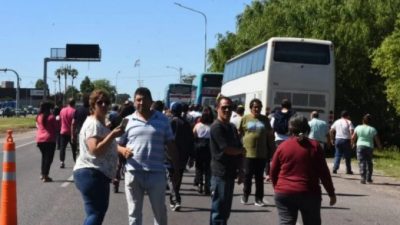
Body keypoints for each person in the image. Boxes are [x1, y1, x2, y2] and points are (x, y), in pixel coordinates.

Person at [118, 87, 180, 225]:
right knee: (134, 214)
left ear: (151, 101)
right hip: (133, 173)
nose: (141, 103)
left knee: (160, 213)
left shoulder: (163, 119)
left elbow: (171, 145)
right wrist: (123, 151)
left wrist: (176, 168)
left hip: (156, 173)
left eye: (144, 100)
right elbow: (117, 144)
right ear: (134, 102)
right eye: (138, 100)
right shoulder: (127, 121)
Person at [270, 115, 336, 225]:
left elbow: (273, 171)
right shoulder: (315, 146)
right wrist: (331, 193)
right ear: (307, 128)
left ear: (290, 128)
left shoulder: (282, 146)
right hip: (309, 193)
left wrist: (277, 187)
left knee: (286, 222)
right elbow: (324, 173)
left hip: (284, 193)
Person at [73, 90, 125, 225]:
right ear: (92, 105)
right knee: (96, 213)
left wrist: (122, 149)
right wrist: (112, 135)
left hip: (96, 174)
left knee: (95, 213)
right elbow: (95, 150)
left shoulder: (101, 124)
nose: (103, 105)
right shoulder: (93, 124)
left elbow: (108, 145)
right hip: (92, 173)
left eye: (106, 102)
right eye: (99, 102)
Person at [209, 96, 244, 225]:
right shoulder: (216, 127)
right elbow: (227, 149)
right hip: (220, 174)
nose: (227, 110)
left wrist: (241, 171)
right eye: (224, 107)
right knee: (218, 212)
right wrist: (241, 151)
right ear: (217, 108)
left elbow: (238, 148)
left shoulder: (231, 127)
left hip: (230, 173)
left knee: (225, 211)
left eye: (230, 107)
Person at [239, 98, 274, 207]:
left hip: (261, 153)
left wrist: (272, 150)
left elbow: (269, 136)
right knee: (247, 176)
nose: (257, 109)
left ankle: (258, 199)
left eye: (259, 107)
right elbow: (239, 134)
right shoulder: (245, 119)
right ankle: (245, 195)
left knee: (259, 177)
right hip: (248, 153)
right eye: (255, 107)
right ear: (251, 108)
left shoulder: (265, 120)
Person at [167, 102, 195, 211]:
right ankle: (174, 198)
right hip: (183, 156)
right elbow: (191, 141)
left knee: (170, 176)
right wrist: (192, 156)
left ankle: (175, 199)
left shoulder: (168, 122)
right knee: (178, 177)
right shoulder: (186, 124)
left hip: (169, 155)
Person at [351, 114, 382, 184]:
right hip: (369, 147)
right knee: (369, 162)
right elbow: (377, 139)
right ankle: (369, 178)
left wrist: (352, 144)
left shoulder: (358, 127)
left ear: (362, 120)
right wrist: (379, 146)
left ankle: (363, 177)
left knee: (361, 162)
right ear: (370, 121)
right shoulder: (372, 129)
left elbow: (353, 137)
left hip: (360, 146)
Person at [193, 105, 214, 195]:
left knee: (199, 167)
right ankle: (207, 186)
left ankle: (200, 184)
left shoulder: (198, 125)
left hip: (199, 148)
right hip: (209, 148)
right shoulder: (213, 126)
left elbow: (194, 135)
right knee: (208, 168)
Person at [36, 101, 58, 182]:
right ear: (49, 109)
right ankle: (45, 175)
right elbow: (56, 128)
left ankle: (42, 174)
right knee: (49, 159)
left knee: (44, 157)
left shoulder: (39, 116)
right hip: (49, 140)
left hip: (39, 139)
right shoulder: (51, 117)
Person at [330, 110, 354, 174]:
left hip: (338, 140)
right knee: (347, 156)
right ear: (347, 116)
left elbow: (331, 130)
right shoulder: (349, 122)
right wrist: (352, 141)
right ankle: (348, 170)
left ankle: (335, 168)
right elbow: (351, 132)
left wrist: (332, 139)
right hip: (346, 140)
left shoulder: (337, 122)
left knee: (337, 155)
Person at [59, 98, 77, 168]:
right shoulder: (74, 111)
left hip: (63, 131)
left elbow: (60, 120)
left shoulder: (62, 110)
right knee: (74, 148)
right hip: (72, 132)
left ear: (67, 103)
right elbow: (74, 122)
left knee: (62, 148)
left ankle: (62, 162)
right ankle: (75, 161)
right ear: (74, 103)